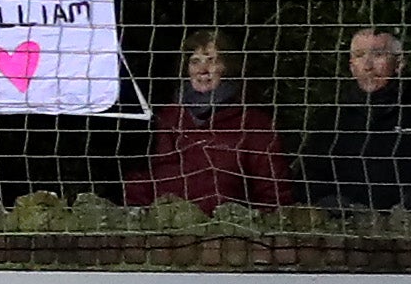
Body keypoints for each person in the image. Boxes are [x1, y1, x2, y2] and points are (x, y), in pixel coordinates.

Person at [125, 34, 294, 212]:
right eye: (195, 61)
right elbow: (140, 178)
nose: (202, 69)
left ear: (228, 67)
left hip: (230, 231)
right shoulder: (165, 119)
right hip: (164, 230)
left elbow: (273, 192)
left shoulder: (253, 123)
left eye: (211, 60)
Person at [307, 26, 411, 212]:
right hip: (347, 227)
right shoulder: (332, 118)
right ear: (351, 66)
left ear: (399, 63)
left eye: (378, 55)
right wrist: (330, 200)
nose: (368, 65)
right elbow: (309, 175)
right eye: (359, 55)